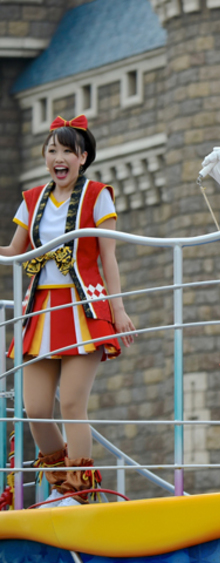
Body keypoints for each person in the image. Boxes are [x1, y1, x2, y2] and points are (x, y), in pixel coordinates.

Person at [0, 115, 136, 507]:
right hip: (39, 310)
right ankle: (63, 483)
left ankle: (80, 489)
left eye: (67, 151)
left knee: (73, 402)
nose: (58, 157)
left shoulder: (98, 196)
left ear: (83, 157)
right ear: (45, 158)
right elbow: (14, 252)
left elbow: (108, 257)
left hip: (83, 308)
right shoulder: (31, 201)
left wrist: (119, 309)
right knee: (36, 409)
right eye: (52, 150)